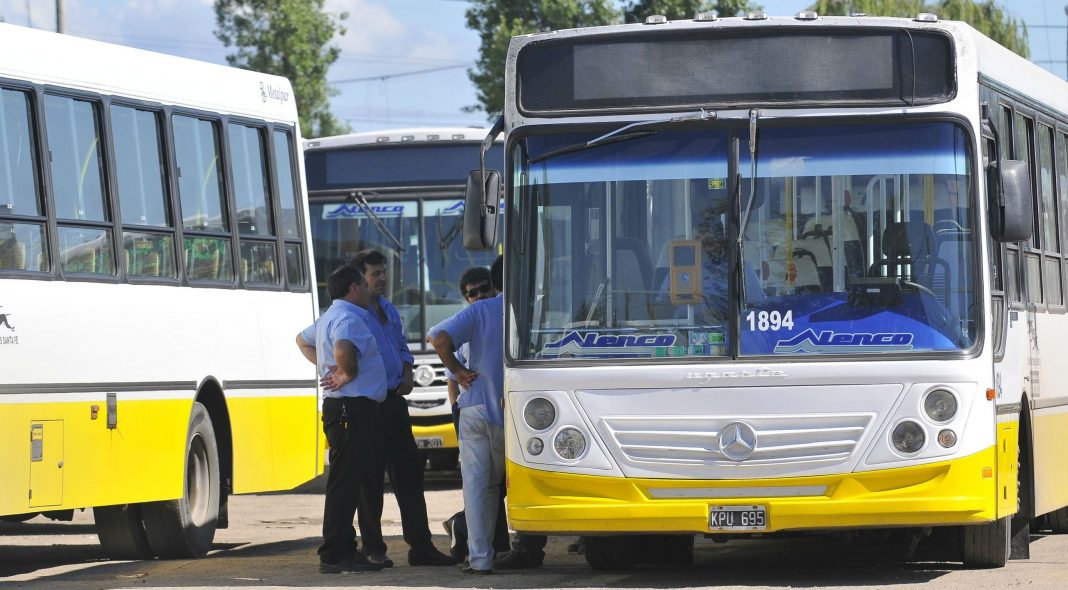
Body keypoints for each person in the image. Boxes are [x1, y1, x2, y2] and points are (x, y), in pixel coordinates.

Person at [295, 265, 387, 574]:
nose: (367, 288)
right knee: (345, 483)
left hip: (349, 408)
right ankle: (335, 554)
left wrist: (327, 367)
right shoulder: (347, 318)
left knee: (349, 480)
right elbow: (343, 347)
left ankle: (344, 548)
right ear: (352, 288)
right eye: (363, 283)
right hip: (352, 408)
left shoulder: (330, 316)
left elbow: (301, 339)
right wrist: (344, 372)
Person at [430, 256, 506, 575]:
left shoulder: (476, 312)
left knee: (478, 486)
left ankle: (480, 558)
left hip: (474, 407)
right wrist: (458, 372)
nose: (477, 296)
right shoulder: (532, 308)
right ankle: (528, 547)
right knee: (508, 484)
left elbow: (440, 339)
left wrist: (460, 373)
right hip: (518, 412)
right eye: (472, 293)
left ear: (494, 282)